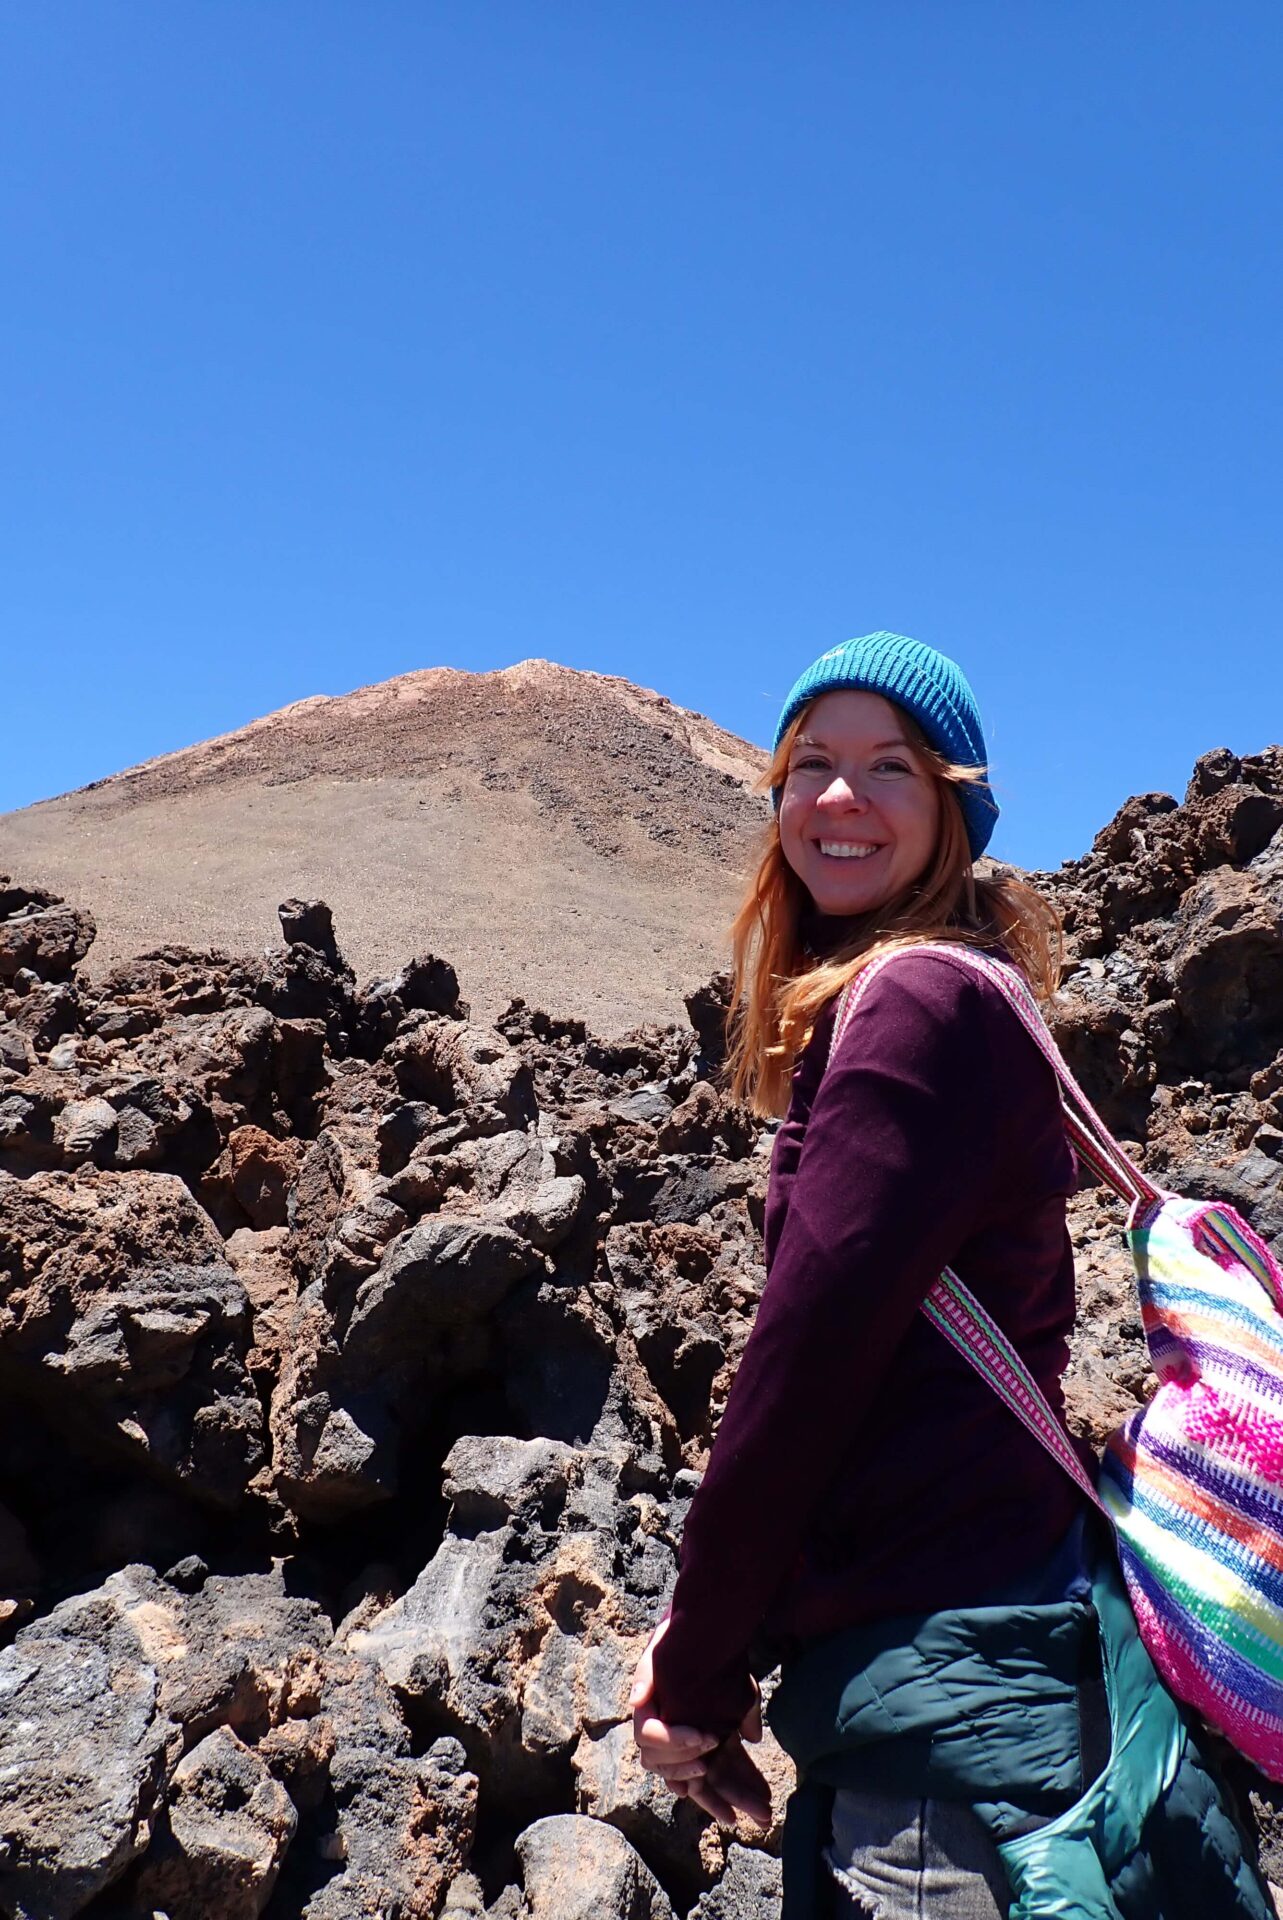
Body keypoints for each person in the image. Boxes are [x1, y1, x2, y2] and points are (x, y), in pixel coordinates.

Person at [628, 634, 1275, 1919]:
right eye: (808, 762)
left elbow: (802, 1374)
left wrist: (695, 1670)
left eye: (888, 768)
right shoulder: (952, 994)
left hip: (952, 1717)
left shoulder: (914, 1008)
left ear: (953, 808)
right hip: (988, 1641)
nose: (835, 799)